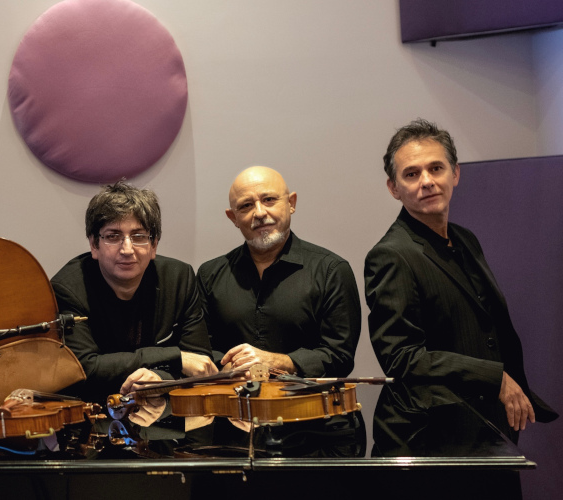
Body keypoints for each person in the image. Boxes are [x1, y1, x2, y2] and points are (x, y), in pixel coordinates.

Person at [365, 118, 556, 440]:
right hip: (433, 437)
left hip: (487, 424)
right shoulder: (391, 255)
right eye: (412, 174)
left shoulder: (465, 238)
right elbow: (401, 358)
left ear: (455, 174)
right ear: (393, 188)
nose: (427, 181)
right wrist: (493, 377)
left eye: (436, 168)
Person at [51, 182, 217, 405]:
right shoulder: (67, 289)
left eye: (138, 236)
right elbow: (82, 369)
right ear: (94, 245)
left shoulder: (179, 278)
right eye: (113, 236)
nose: (127, 249)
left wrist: (160, 378)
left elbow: (200, 362)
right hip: (95, 413)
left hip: (165, 413)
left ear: (154, 245)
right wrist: (173, 357)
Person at [197, 166, 360, 377]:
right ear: (233, 218)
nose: (259, 213)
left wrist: (276, 362)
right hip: (231, 397)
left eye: (269, 200)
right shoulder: (209, 275)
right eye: (246, 206)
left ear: (291, 203)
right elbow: (199, 351)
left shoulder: (331, 270)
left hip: (307, 397)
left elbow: (340, 356)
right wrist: (229, 367)